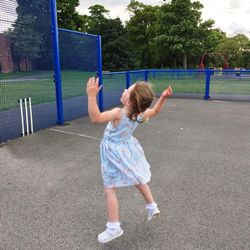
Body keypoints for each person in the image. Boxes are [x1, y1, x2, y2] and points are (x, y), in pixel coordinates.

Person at [87, 77, 173, 243]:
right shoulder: (140, 114)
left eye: (127, 89)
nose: (124, 90)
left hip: (113, 153)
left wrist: (91, 96)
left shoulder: (118, 113)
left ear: (129, 100)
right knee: (137, 178)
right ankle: (152, 205)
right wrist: (162, 98)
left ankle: (114, 227)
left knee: (110, 188)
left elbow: (96, 118)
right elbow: (154, 111)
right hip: (127, 150)